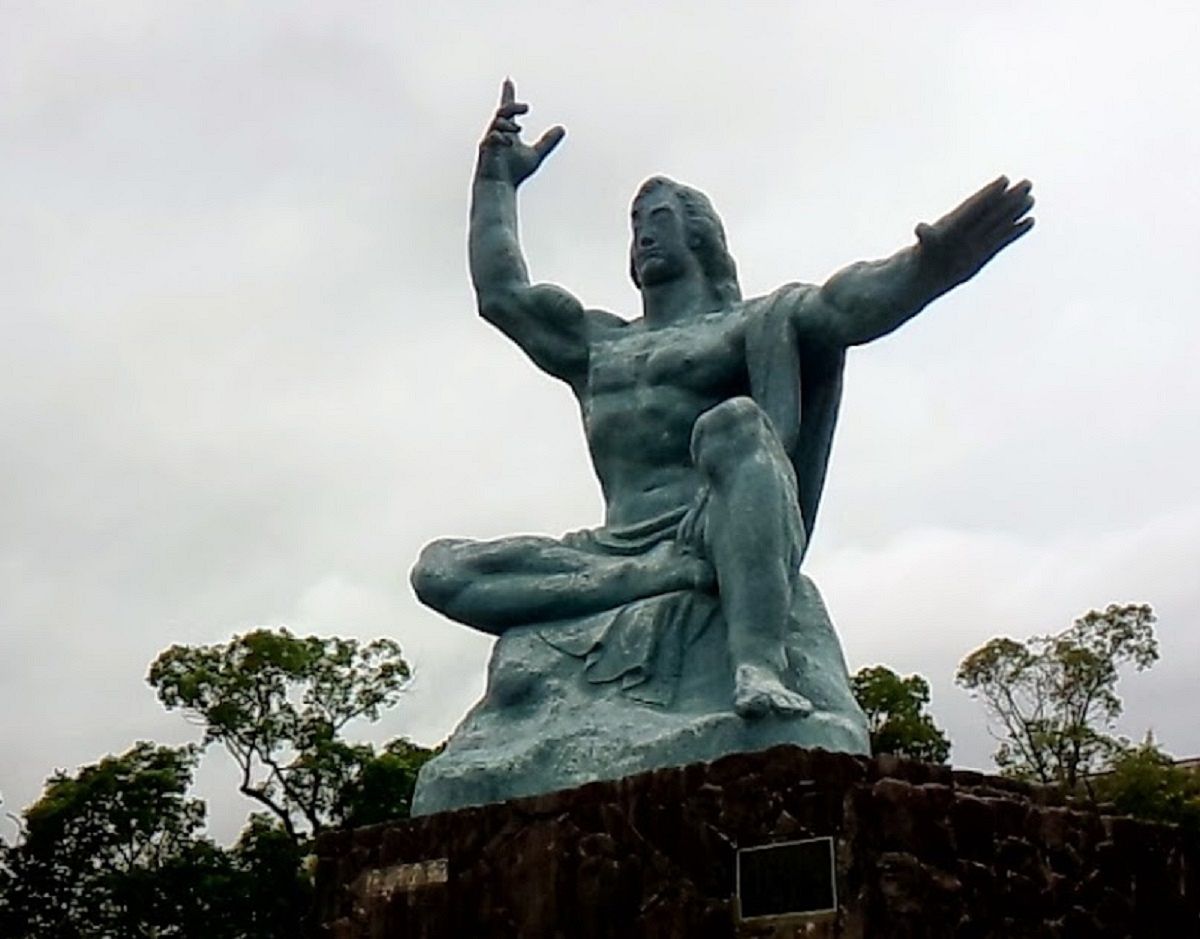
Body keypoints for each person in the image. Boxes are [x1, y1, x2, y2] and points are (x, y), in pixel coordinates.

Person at [412, 80, 1034, 718]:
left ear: (700, 238)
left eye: (659, 222)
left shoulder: (755, 323)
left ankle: (756, 664)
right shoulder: (597, 344)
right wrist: (495, 183)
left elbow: (847, 303)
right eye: (635, 226)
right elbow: (504, 296)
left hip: (709, 529)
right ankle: (650, 580)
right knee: (439, 570)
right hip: (616, 548)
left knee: (735, 421)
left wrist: (928, 270)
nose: (644, 237)